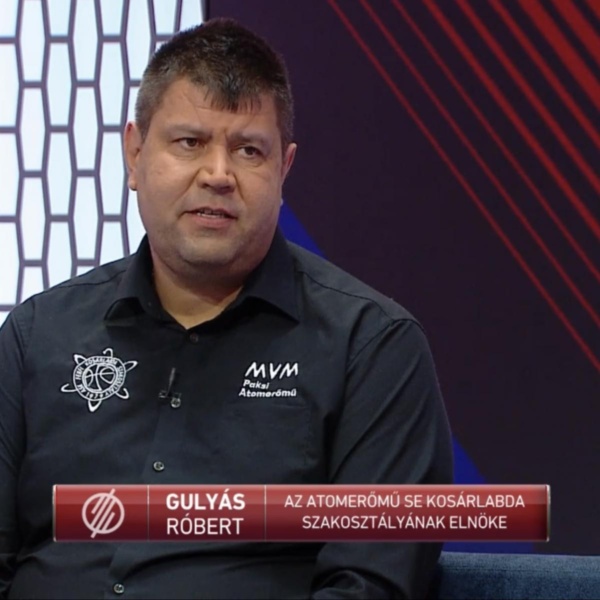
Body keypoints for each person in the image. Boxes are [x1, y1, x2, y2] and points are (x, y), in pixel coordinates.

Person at [0, 18, 453, 600]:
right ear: (134, 153)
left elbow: (369, 586)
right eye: (189, 142)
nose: (218, 175)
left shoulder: (372, 348)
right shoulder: (35, 335)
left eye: (248, 150)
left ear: (284, 169)